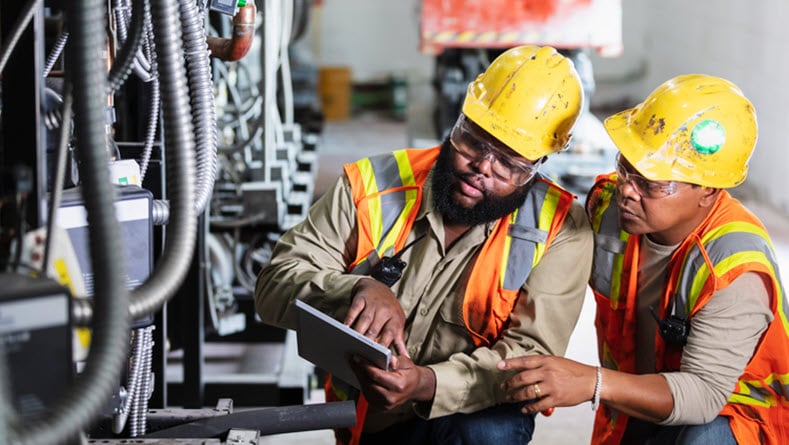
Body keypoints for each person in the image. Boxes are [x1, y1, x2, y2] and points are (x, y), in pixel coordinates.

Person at [254, 45, 594, 445]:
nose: (483, 166)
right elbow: (273, 286)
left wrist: (427, 383)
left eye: (509, 163)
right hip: (367, 415)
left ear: (537, 166)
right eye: (474, 140)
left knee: (489, 430)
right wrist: (357, 288)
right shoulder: (373, 185)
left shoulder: (560, 229)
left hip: (468, 414)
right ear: (459, 119)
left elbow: (528, 357)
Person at [498, 74, 789, 444]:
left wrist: (591, 381)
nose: (627, 191)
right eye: (625, 168)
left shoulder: (734, 266)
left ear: (708, 190)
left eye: (650, 183)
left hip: (736, 420)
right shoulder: (607, 210)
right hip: (642, 402)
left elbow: (702, 396)